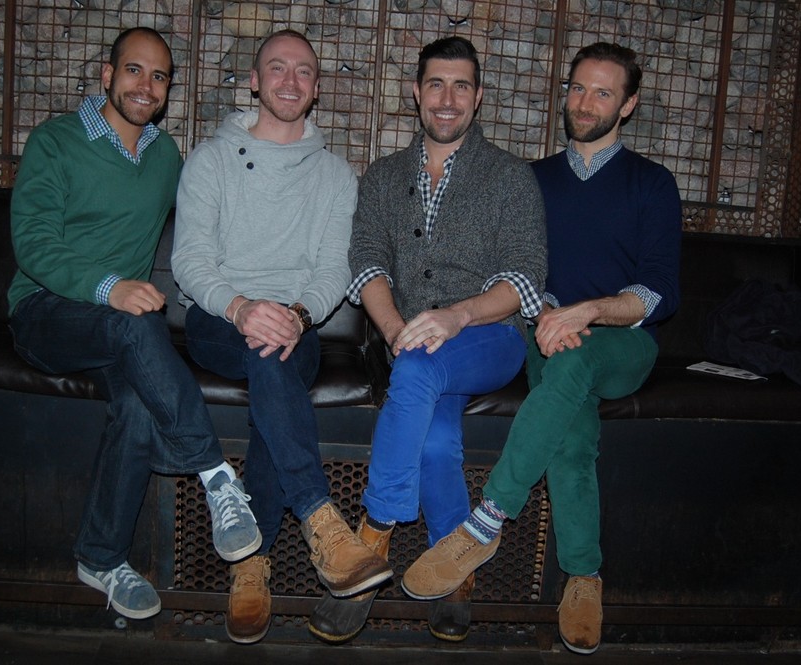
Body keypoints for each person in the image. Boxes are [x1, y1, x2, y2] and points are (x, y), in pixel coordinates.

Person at [401, 42, 682, 655]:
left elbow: (660, 290)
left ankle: (488, 518)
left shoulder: (652, 184)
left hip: (623, 341)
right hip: (545, 329)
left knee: (575, 357)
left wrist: (589, 311)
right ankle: (583, 577)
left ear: (628, 104)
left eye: (603, 92)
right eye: (577, 88)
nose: (585, 102)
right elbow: (516, 266)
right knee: (572, 435)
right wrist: (550, 308)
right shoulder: (531, 178)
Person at [7, 27, 262, 622]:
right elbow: (33, 244)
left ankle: (100, 557)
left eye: (159, 76)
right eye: (133, 70)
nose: (146, 85)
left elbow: (219, 205)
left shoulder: (166, 157)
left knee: (139, 401)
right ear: (107, 74)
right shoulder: (55, 142)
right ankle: (215, 474)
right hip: (44, 312)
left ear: (168, 89)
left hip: (119, 326)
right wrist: (110, 287)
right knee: (135, 319)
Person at [307, 36, 547, 644]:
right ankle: (454, 567)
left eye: (461, 86)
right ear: (416, 93)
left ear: (478, 96)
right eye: (436, 84)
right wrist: (394, 330)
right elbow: (367, 263)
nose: (447, 98)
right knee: (436, 439)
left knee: (416, 369)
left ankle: (372, 539)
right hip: (411, 340)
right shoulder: (384, 176)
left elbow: (524, 278)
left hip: (490, 337)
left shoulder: (510, 177)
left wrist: (457, 316)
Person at [171, 29, 391, 645]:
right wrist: (241, 307)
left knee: (273, 358)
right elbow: (190, 260)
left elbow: (333, 270)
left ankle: (250, 564)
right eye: (277, 68)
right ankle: (322, 521)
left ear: (315, 88)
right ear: (254, 81)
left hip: (297, 325)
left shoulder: (336, 176)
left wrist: (295, 313)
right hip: (218, 317)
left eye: (303, 72)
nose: (290, 81)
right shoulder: (210, 160)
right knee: (263, 348)